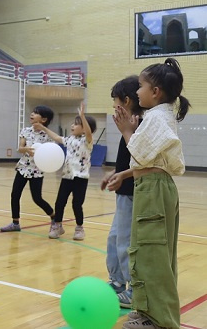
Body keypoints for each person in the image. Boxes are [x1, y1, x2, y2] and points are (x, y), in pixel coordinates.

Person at [109, 58, 189, 329]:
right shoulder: (159, 114)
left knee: (152, 253)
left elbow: (141, 154)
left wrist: (126, 131)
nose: (137, 92)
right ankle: (146, 311)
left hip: (154, 189)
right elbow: (147, 161)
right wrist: (123, 173)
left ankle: (159, 320)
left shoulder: (156, 116)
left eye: (141, 86)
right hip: (151, 185)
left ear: (155, 92)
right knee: (145, 251)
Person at [100, 76, 142, 309]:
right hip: (123, 190)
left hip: (133, 191)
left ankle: (134, 289)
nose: (114, 107)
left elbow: (141, 158)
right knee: (114, 238)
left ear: (126, 100)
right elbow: (127, 159)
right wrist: (115, 173)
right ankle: (116, 280)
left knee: (125, 241)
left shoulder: (138, 124)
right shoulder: (129, 123)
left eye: (116, 102)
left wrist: (123, 176)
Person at [34, 103, 96, 240]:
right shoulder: (69, 139)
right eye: (73, 123)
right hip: (67, 176)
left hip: (81, 178)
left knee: (77, 204)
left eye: (76, 124)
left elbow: (89, 132)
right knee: (59, 202)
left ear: (84, 127)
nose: (72, 126)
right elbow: (56, 138)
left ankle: (79, 228)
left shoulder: (88, 141)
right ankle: (57, 226)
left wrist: (83, 117)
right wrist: (43, 128)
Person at [0, 105, 56, 232]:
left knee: (37, 198)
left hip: (37, 170)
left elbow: (52, 152)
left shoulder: (48, 136)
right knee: (15, 195)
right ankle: (15, 223)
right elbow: (20, 148)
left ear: (44, 119)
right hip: (23, 167)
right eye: (33, 112)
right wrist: (26, 150)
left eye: (36, 113)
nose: (32, 114)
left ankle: (54, 217)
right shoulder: (25, 131)